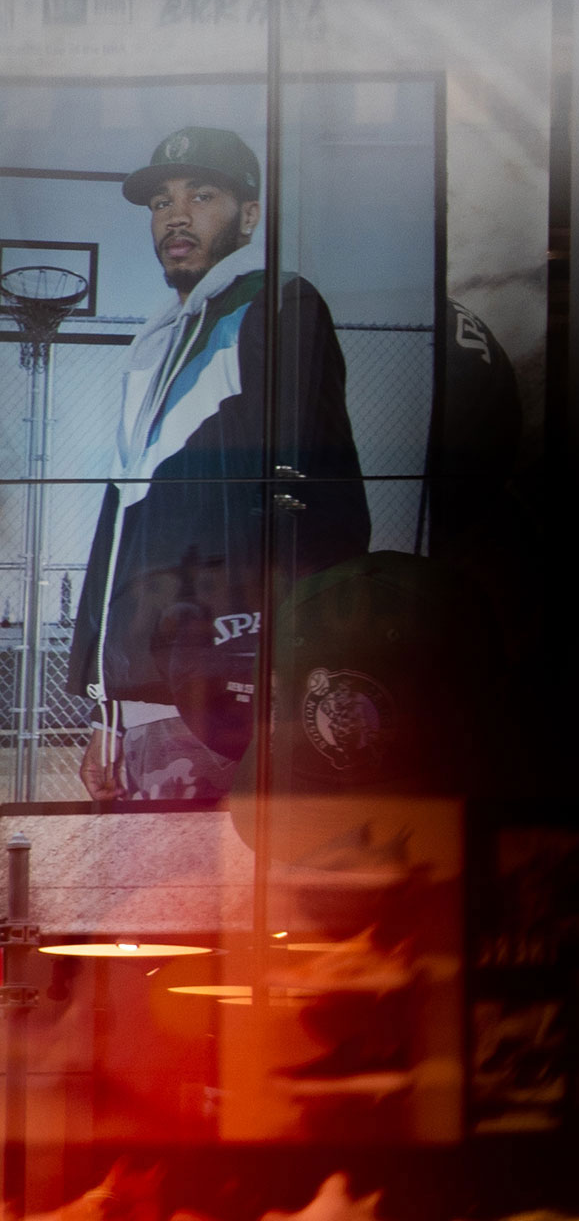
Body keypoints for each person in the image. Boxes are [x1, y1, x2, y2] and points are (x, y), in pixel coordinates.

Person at [70, 126, 368, 800]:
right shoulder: (154, 344)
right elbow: (121, 536)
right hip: (148, 701)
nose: (175, 214)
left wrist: (278, 666)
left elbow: (320, 501)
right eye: (161, 201)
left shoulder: (276, 304)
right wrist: (105, 708)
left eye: (202, 195)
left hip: (228, 690)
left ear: (249, 216)